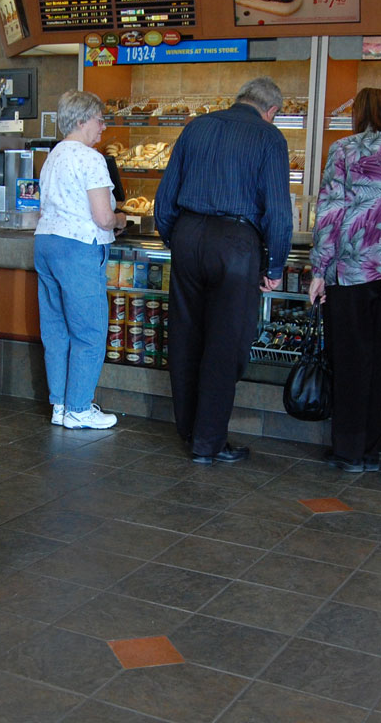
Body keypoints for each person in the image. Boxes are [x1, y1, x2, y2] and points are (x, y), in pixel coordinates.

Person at [154, 76, 292, 464]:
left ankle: (189, 430)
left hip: (187, 234)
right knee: (224, 344)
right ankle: (207, 442)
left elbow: (165, 197)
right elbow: (278, 211)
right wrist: (275, 263)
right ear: (272, 111)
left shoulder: (196, 126)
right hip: (235, 243)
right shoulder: (269, 138)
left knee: (185, 338)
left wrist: (176, 238)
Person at [34, 89, 126, 430]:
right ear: (82, 120)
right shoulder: (90, 158)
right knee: (89, 331)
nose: (103, 127)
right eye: (100, 120)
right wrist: (121, 220)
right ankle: (79, 408)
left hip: (46, 244)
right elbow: (103, 217)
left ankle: (60, 405)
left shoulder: (53, 156)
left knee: (56, 331)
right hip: (78, 248)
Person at [308, 86, 381, 473]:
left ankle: (350, 451)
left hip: (352, 270)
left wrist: (319, 271)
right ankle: (376, 449)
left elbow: (331, 212)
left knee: (353, 362)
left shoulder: (345, 150)